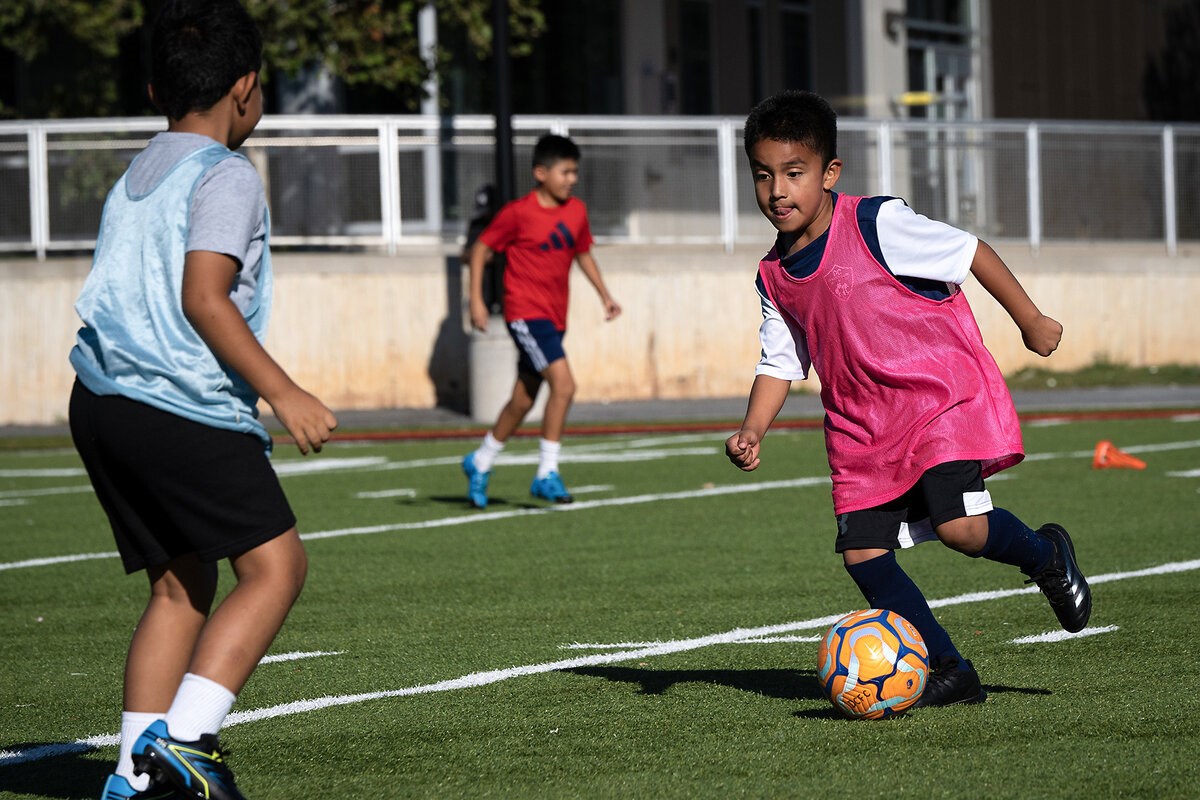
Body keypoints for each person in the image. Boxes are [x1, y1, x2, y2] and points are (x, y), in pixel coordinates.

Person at [725, 90, 1091, 708]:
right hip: (860, 428)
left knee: (961, 529)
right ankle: (950, 669)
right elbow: (780, 360)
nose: (777, 191)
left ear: (829, 173)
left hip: (935, 402)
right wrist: (752, 429)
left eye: (793, 173)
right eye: (763, 176)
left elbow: (969, 251)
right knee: (863, 554)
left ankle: (1046, 555)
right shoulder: (773, 275)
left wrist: (1029, 319)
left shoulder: (875, 224)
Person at [68, 2, 337, 797]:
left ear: (157, 90)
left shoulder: (137, 172)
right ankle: (185, 740)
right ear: (246, 88)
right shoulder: (225, 174)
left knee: (180, 583)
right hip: (175, 402)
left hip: (101, 399)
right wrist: (283, 392)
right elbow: (203, 297)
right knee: (276, 567)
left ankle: (133, 776)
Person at [462, 134, 622, 508]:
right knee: (564, 386)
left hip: (554, 318)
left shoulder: (576, 212)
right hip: (525, 314)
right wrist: (477, 301)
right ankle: (546, 473)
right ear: (540, 173)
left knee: (522, 400)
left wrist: (605, 295)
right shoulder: (518, 213)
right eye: (565, 172)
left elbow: (583, 254)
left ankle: (480, 460)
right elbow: (481, 248)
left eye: (575, 172)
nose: (572, 179)